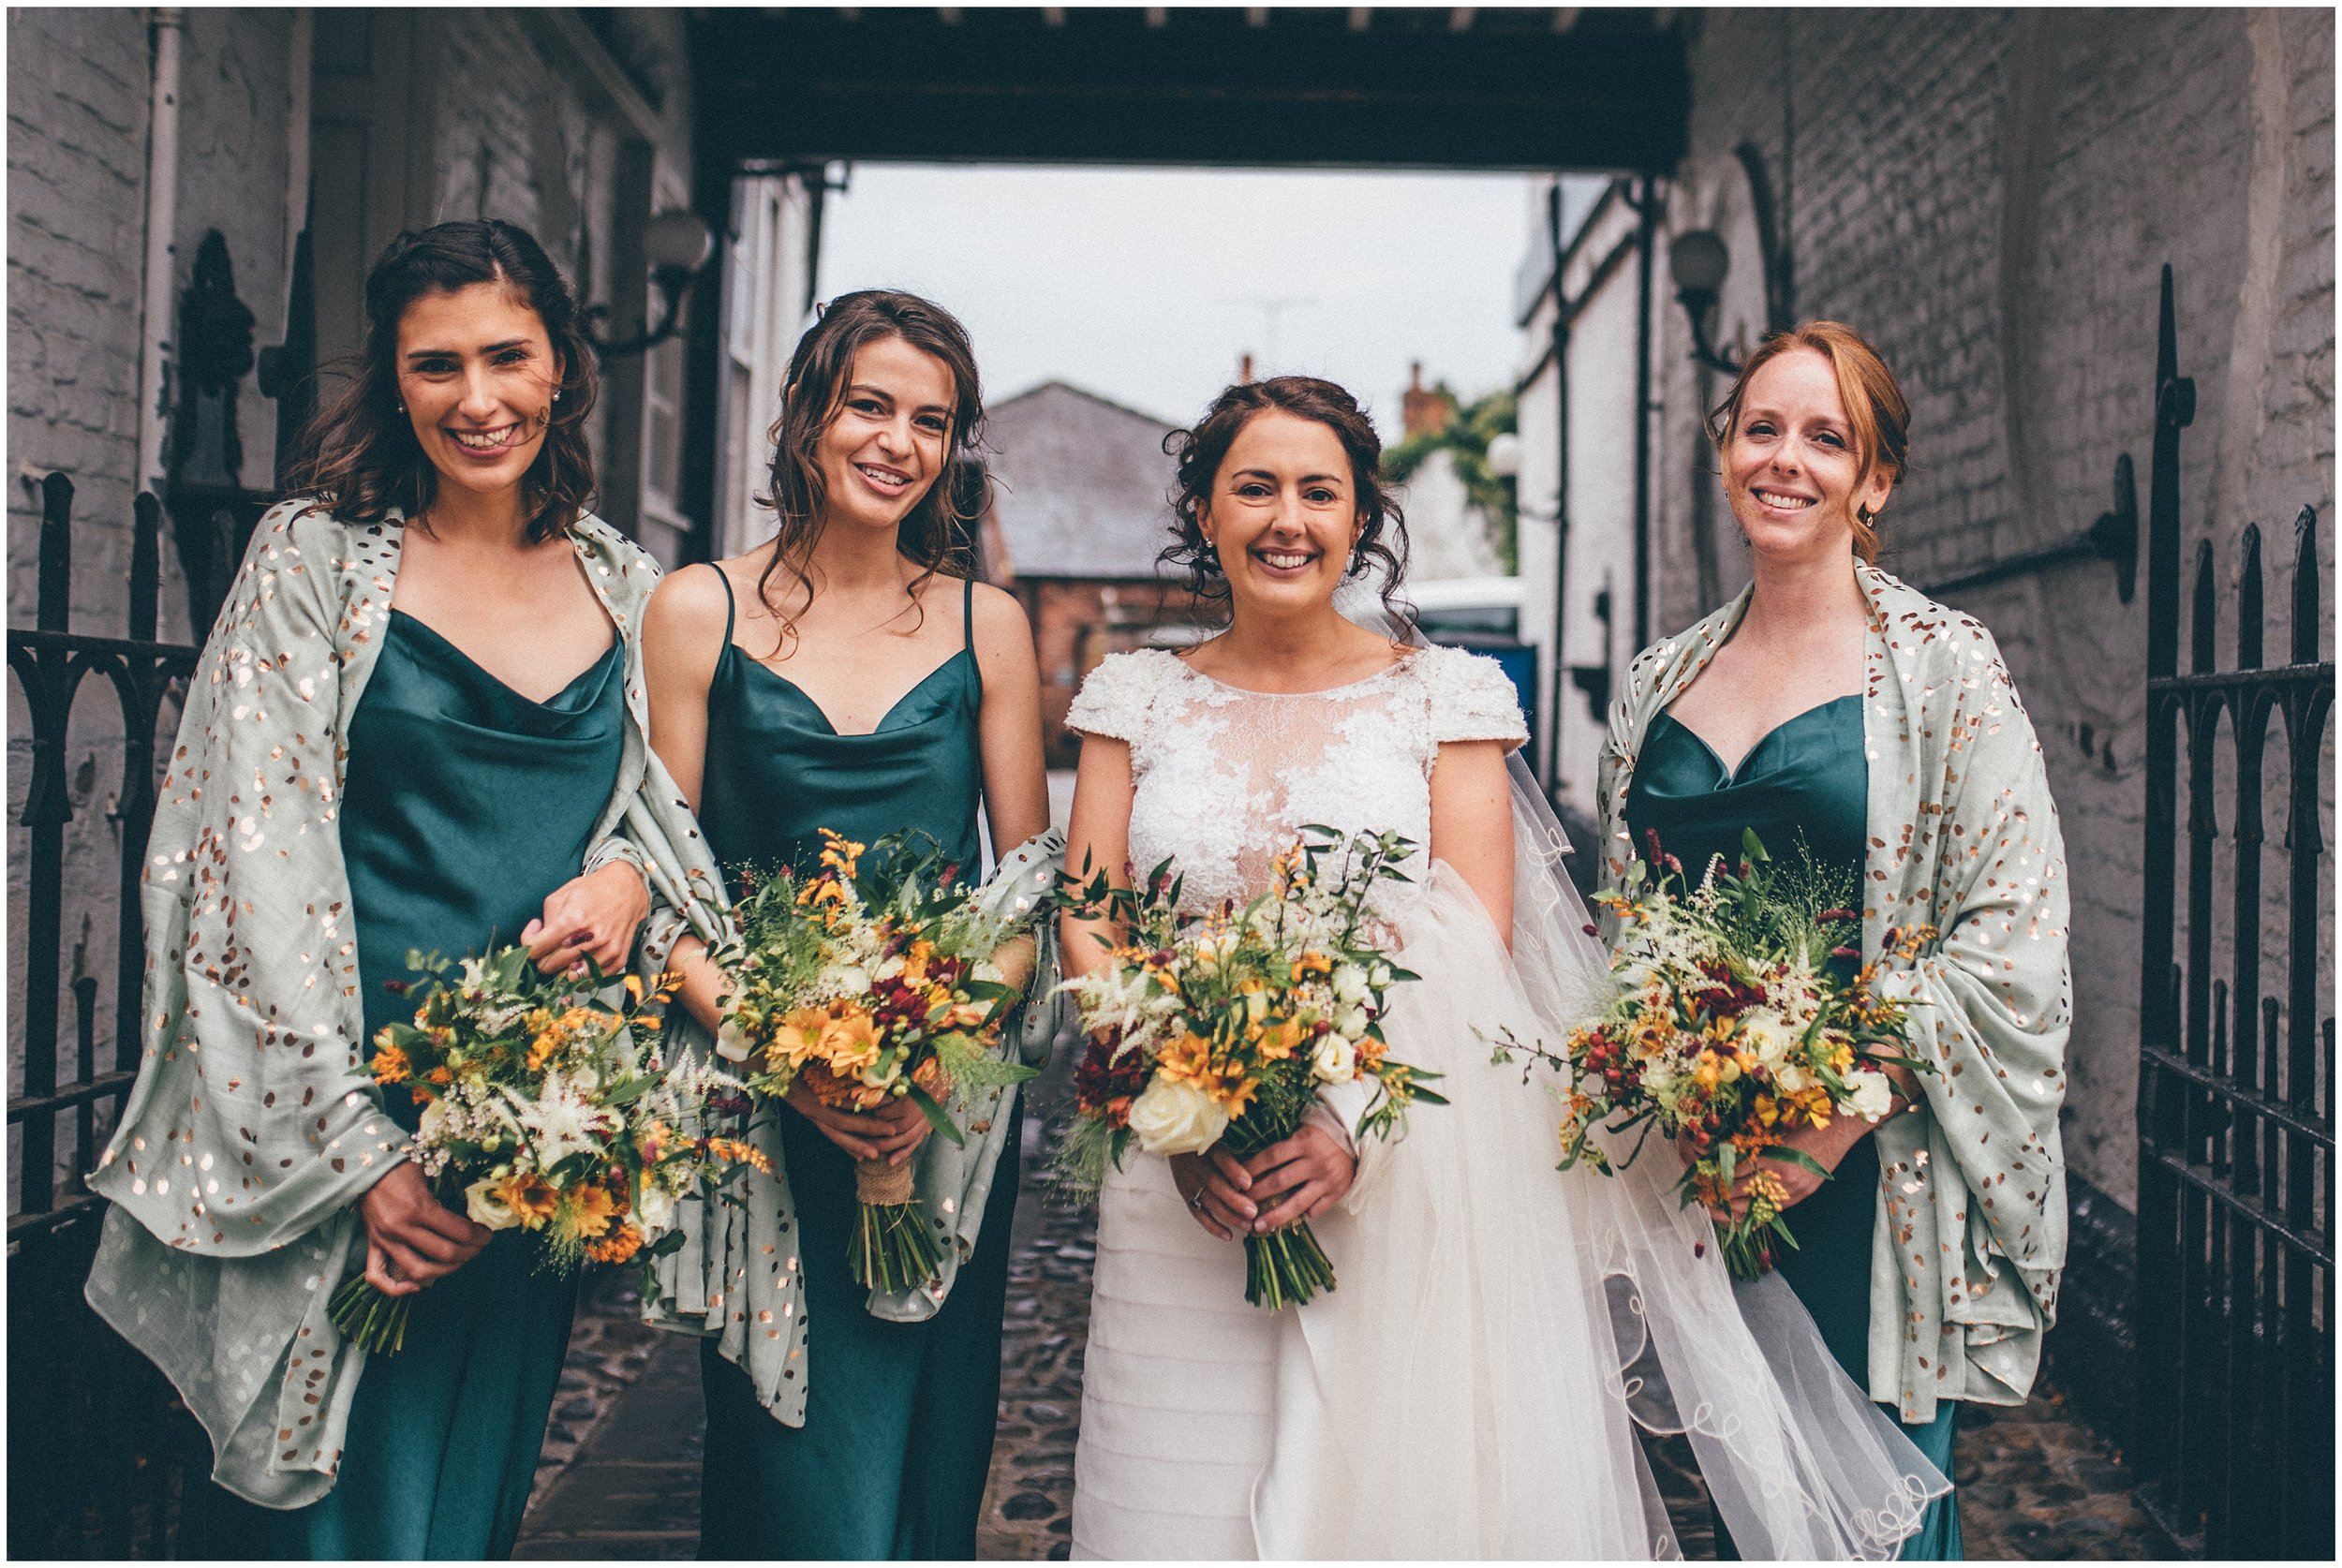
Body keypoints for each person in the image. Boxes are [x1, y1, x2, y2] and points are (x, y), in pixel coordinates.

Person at [1060, 375, 1947, 1561]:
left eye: (1320, 492)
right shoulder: (1133, 696)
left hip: (1393, 1160)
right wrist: (1178, 1101)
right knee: (1172, 1505)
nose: (1288, 519)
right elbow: (1090, 913)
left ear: (1362, 520)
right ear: (1203, 511)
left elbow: (1470, 927)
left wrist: (1343, 1120)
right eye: (1254, 488)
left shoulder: (1446, 698)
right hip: (1179, 1174)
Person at [82, 219, 705, 1559]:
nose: (476, 400)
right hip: (338, 1113)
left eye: (506, 358)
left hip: (535, 1118)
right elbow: (250, 857)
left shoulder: (629, 585)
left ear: (561, 369)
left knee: (466, 1497)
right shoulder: (314, 560)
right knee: (329, 1506)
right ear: (394, 380)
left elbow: (663, 816)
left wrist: (624, 886)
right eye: (437, 366)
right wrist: (361, 1156)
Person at [1603, 320, 2073, 1560]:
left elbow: (2005, 942)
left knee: (1871, 1525)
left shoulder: (1945, 672)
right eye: (1764, 427)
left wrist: (1815, 1143)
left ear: (1874, 482)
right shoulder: (1658, 681)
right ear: (1726, 451)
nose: (1787, 459)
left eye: (1829, 437)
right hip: (1704, 1169)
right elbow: (1625, 922)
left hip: (1875, 1178)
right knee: (1743, 1517)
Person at [638, 289, 1056, 1560]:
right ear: (806, 414)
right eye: (868, 404)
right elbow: (665, 875)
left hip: (938, 1112)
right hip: (760, 1099)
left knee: (926, 1468)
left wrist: (934, 1041)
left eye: (931, 420)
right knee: (789, 1468)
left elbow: (1029, 880)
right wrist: (792, 1049)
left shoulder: (988, 623)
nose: (898, 441)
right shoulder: (695, 607)